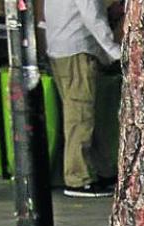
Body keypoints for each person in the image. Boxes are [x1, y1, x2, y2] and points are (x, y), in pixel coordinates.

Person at [43, 0, 120, 198]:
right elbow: (92, 16)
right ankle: (79, 178)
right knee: (80, 115)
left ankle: (92, 170)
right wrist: (113, 50)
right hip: (77, 48)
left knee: (76, 113)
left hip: (60, 48)